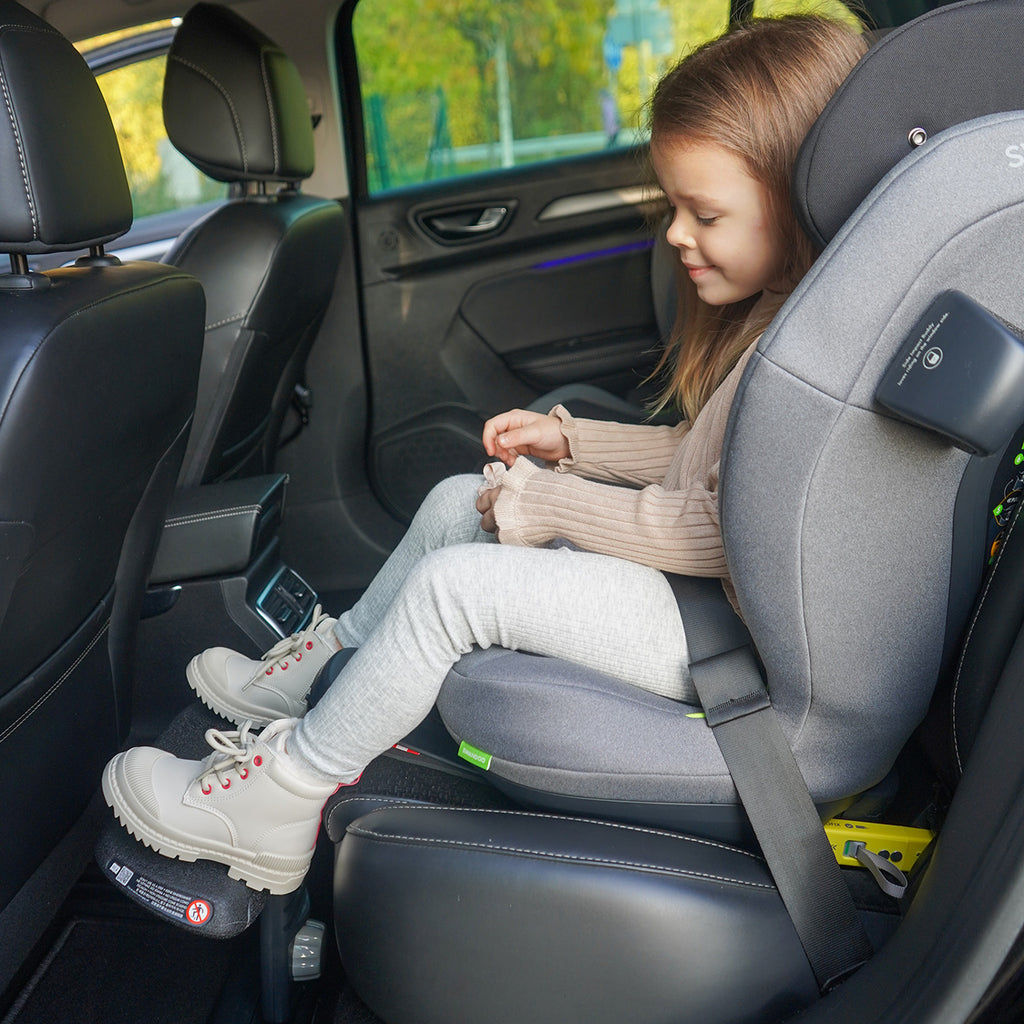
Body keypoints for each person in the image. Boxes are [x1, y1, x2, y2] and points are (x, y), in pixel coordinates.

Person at [102, 15, 868, 896]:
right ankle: (325, 666)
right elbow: (704, 462)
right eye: (675, 211)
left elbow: (714, 531)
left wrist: (549, 504)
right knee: (459, 498)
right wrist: (572, 441)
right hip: (720, 607)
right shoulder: (789, 318)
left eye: (706, 214)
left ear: (803, 197)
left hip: (739, 639)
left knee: (453, 590)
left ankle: (281, 802)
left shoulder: (809, 348)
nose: (677, 237)